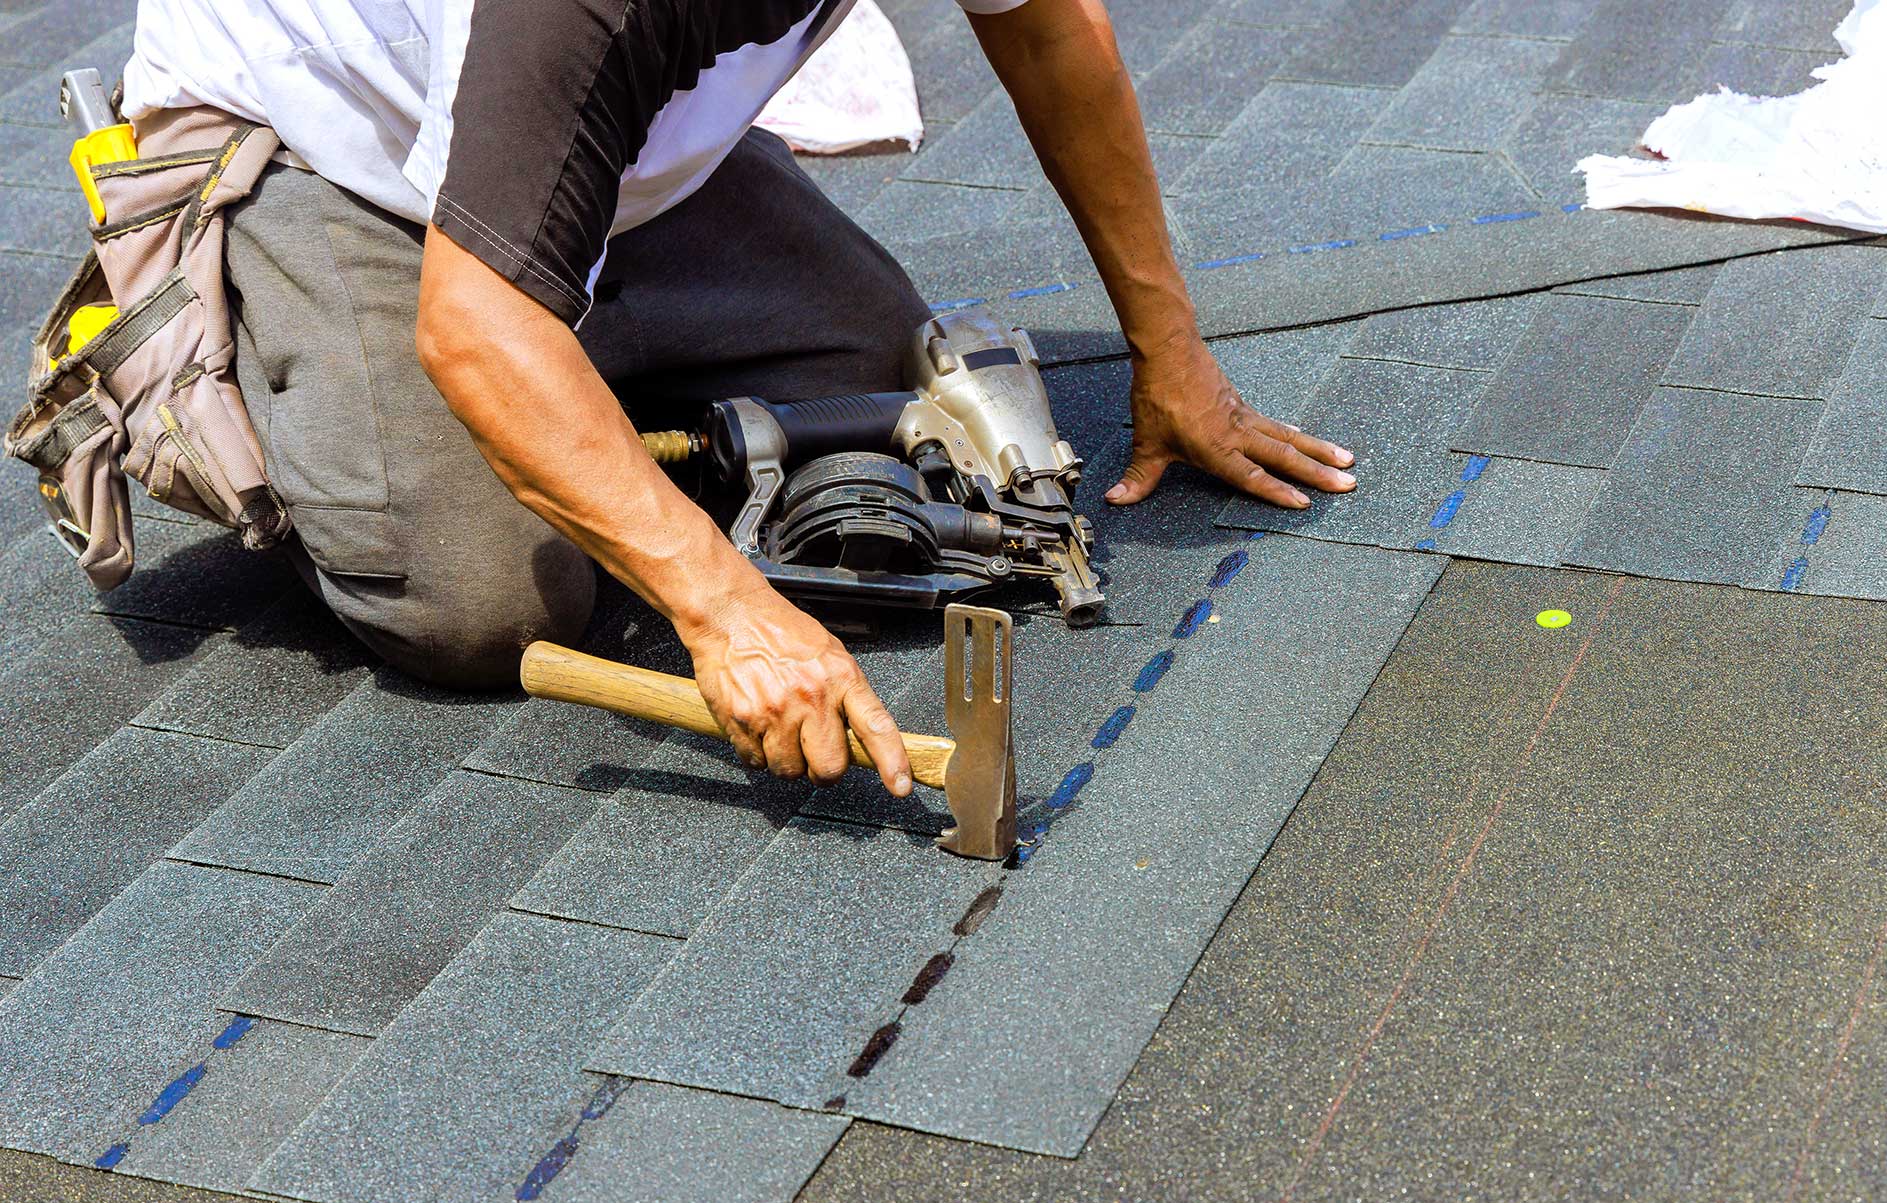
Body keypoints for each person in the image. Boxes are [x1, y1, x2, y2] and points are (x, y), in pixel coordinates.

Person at [122, 0, 1356, 797]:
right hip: (330, 147)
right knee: (483, 601)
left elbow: (1046, 30)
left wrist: (1173, 351)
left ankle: (566, 339)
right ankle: (302, 379)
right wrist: (724, 611)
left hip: (597, 136)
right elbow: (475, 325)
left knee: (893, 418)